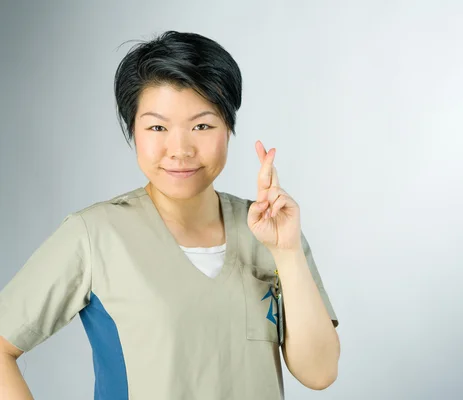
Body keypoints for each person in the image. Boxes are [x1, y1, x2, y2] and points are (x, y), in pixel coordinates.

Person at [0, 30, 340, 400]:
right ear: (133, 130)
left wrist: (287, 252)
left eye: (202, 126)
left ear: (229, 128)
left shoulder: (271, 231)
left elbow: (320, 373)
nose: (180, 150)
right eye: (157, 127)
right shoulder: (94, 235)